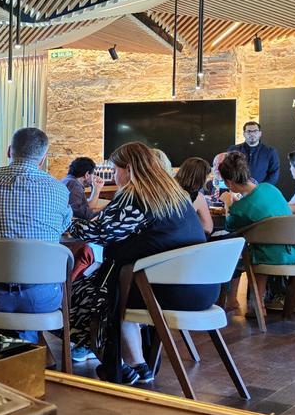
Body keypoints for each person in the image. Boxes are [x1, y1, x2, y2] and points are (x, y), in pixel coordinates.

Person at [68, 142, 215, 386]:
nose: (115, 175)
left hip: (163, 291)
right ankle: (136, 366)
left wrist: (64, 220)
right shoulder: (172, 193)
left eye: (116, 169)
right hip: (197, 286)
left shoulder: (137, 195)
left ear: (129, 170)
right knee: (115, 281)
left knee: (73, 293)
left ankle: (116, 363)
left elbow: (100, 232)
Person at [0, 128, 72, 343]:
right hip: (40, 298)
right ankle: (25, 353)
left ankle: (7, 353)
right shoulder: (59, 190)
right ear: (43, 158)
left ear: (9, 151)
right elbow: (63, 227)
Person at [218, 151, 295, 313]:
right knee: (254, 250)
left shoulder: (240, 208)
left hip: (271, 257)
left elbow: (230, 226)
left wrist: (228, 204)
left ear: (229, 183)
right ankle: (264, 301)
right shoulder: (269, 188)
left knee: (238, 254)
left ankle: (251, 304)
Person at [175, 156, 213, 234]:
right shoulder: (197, 197)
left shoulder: (167, 191)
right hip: (187, 241)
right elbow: (208, 228)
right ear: (201, 178)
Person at [62, 156, 103, 221]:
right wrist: (106, 209)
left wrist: (96, 188)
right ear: (87, 175)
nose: (94, 176)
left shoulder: (68, 180)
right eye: (93, 174)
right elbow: (84, 215)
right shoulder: (74, 185)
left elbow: (86, 207)